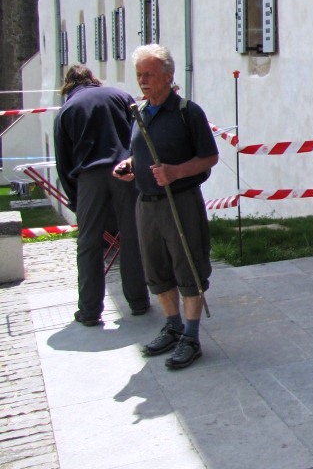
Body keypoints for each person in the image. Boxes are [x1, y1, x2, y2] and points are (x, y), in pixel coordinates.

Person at [114, 45, 218, 369]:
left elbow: (210, 158)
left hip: (181, 202)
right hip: (146, 205)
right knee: (157, 271)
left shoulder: (188, 112)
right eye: (139, 75)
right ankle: (173, 326)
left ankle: (191, 336)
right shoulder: (139, 113)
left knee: (189, 268)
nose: (142, 81)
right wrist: (131, 164)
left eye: (149, 74)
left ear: (168, 76)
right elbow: (143, 151)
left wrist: (175, 172)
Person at [54, 65, 150, 325]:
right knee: (132, 237)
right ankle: (139, 300)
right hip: (124, 170)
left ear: (68, 85)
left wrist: (75, 198)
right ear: (94, 80)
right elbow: (140, 136)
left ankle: (89, 310)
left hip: (89, 177)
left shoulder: (68, 109)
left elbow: (63, 161)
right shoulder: (120, 96)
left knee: (89, 244)